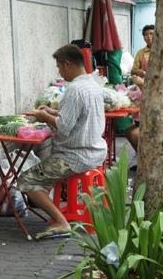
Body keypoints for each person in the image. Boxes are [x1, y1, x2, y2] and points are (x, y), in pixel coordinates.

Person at [19, 44, 107, 239]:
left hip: (76, 156)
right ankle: (54, 208)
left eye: (59, 66)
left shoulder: (75, 89)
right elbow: (77, 117)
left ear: (67, 64)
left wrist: (44, 116)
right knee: (40, 176)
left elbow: (64, 127)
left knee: (26, 180)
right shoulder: (93, 84)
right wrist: (53, 112)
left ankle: (61, 221)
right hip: (96, 150)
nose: (59, 70)